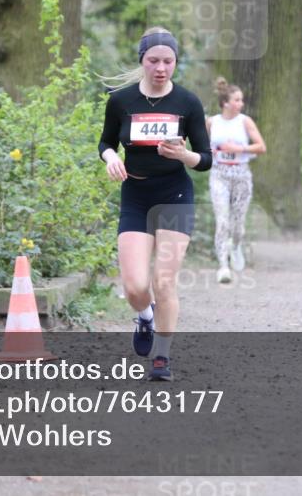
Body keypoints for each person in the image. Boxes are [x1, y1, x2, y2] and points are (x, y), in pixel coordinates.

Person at [98, 27, 212, 382]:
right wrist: (110, 159)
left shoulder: (188, 103)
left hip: (175, 195)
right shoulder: (121, 101)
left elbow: (206, 159)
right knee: (134, 286)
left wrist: (184, 154)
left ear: (175, 63)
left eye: (168, 61)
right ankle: (145, 316)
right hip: (135, 194)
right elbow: (104, 143)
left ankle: (162, 358)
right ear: (142, 62)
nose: (161, 68)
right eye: (153, 61)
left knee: (164, 281)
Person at [206, 78, 267, 284]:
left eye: (241, 100)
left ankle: (236, 245)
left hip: (241, 175)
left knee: (238, 225)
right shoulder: (212, 122)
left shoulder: (245, 121)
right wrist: (210, 151)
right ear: (225, 103)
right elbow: (201, 146)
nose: (241, 103)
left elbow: (261, 146)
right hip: (219, 174)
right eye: (237, 100)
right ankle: (223, 266)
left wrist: (239, 149)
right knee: (222, 221)